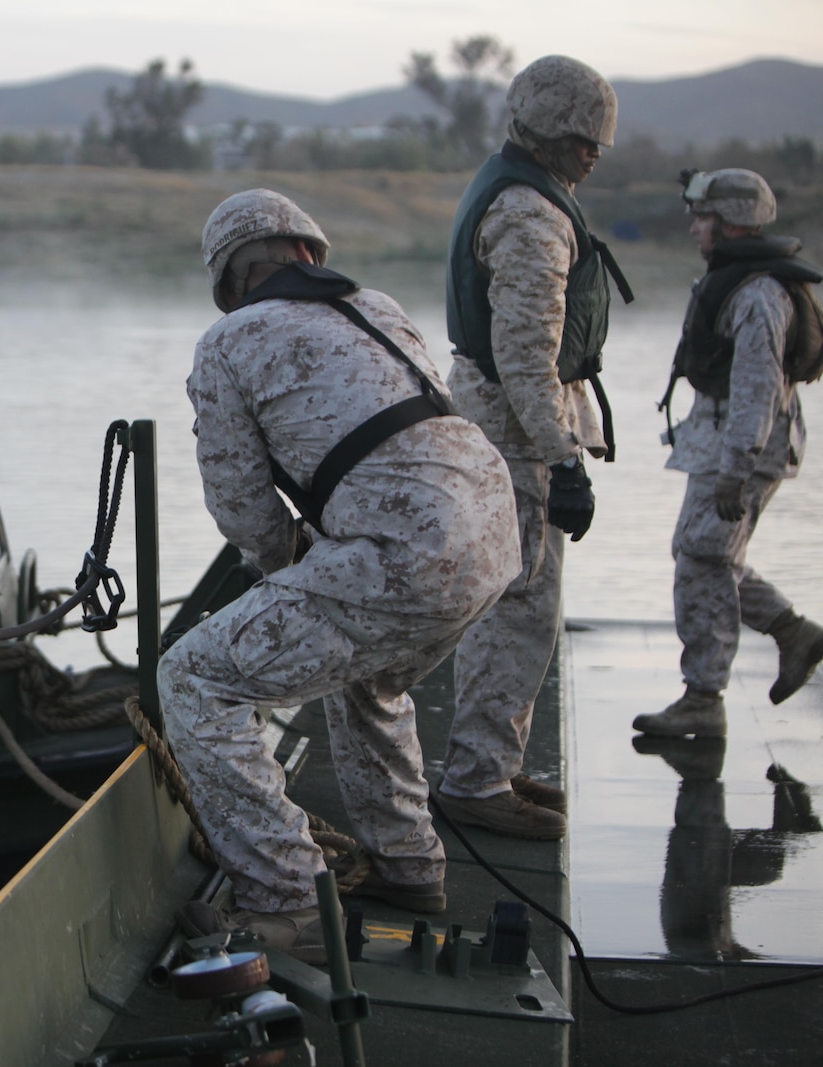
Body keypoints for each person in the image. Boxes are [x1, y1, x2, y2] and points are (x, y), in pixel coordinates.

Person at [161, 189, 521, 961]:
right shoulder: (380, 307)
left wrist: (281, 563)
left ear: (229, 281)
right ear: (310, 253)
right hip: (492, 532)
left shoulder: (228, 341)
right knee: (371, 674)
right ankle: (407, 864)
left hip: (401, 551)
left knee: (192, 678)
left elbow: (241, 507)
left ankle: (287, 899)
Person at [436, 55, 631, 839]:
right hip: (516, 430)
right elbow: (524, 354)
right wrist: (560, 458)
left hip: (502, 417)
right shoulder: (528, 215)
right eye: (585, 139)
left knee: (512, 602)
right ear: (550, 130)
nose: (594, 153)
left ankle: (491, 763)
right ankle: (476, 781)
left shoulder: (519, 191)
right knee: (519, 607)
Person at [632, 169, 823, 738]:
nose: (694, 228)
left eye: (704, 217)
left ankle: (704, 696)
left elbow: (757, 391)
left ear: (733, 222)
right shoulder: (738, 281)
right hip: (725, 442)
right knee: (703, 555)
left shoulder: (759, 295)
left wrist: (735, 471)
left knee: (702, 558)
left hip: (742, 448)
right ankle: (792, 633)